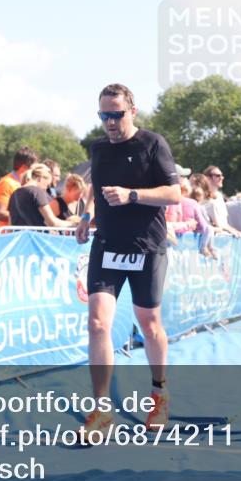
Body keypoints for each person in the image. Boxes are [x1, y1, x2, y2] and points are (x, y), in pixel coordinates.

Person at [75, 84, 181, 439]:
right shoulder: (99, 148)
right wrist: (85, 215)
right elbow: (94, 185)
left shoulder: (152, 144)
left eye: (116, 114)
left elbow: (174, 193)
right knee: (97, 323)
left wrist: (132, 195)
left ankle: (159, 392)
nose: (110, 122)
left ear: (132, 111)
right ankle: (101, 409)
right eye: (104, 115)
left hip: (146, 246)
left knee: (149, 324)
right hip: (107, 245)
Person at [9, 163, 77, 229]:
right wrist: (74, 224)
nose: (46, 189)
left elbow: (10, 224)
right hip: (36, 238)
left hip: (19, 238)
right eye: (47, 185)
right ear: (40, 179)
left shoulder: (14, 193)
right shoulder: (37, 192)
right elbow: (52, 222)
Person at [0, 146, 39, 230]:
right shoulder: (6, 183)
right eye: (33, 169)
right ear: (24, 168)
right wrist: (27, 215)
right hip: (9, 238)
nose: (36, 172)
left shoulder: (27, 183)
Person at [202, 166, 241, 237]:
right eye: (218, 176)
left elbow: (224, 222)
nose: (222, 178)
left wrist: (234, 231)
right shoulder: (202, 197)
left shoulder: (219, 196)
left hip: (223, 236)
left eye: (222, 175)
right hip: (211, 237)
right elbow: (217, 224)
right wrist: (232, 231)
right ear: (208, 178)